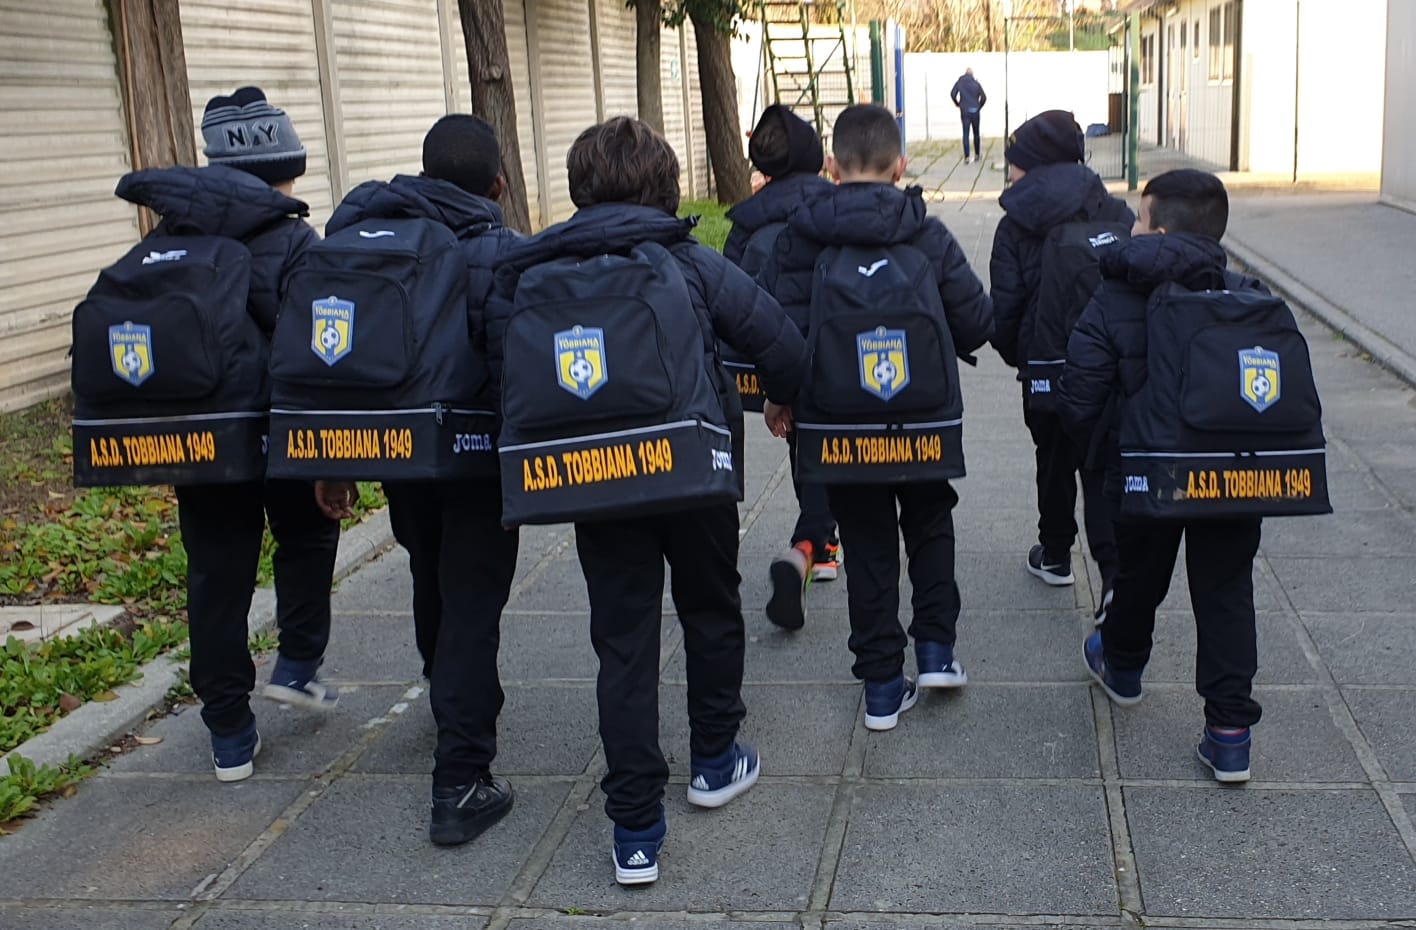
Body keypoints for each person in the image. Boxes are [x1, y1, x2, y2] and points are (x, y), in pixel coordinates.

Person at [486, 116, 806, 886]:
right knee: (710, 609)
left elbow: (504, 369)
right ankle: (715, 759)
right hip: (692, 470)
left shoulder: (535, 270)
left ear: (580, 187)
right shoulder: (688, 260)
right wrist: (781, 399)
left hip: (595, 480)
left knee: (623, 641)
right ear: (666, 186)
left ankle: (634, 829)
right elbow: (781, 342)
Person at [313, 114, 522, 845]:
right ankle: (461, 779)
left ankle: (445, 690)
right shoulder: (499, 252)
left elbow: (335, 359)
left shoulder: (367, 236)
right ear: (498, 184)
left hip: (399, 453)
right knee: (472, 599)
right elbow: (514, 366)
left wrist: (333, 460)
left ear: (425, 175)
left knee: (429, 569)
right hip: (475, 457)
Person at [122, 87, 341, 781]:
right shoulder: (296, 240)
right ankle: (298, 662)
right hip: (283, 432)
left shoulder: (168, 237)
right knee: (309, 535)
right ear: (285, 168)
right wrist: (333, 455)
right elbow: (318, 351)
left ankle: (228, 733)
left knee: (217, 572)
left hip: (202, 438)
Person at [761, 103, 992, 731]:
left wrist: (779, 398)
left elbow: (780, 336)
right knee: (930, 523)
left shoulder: (800, 238)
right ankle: (937, 651)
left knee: (865, 545)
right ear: (901, 167)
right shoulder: (927, 234)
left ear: (831, 168)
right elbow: (977, 321)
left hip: (840, 428)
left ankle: (883, 689)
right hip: (923, 421)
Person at [1058, 169, 1266, 783]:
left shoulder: (1115, 294)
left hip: (1145, 470)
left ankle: (1122, 667)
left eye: (1140, 219)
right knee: (1227, 592)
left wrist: (1100, 456)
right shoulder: (1244, 293)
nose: (1131, 228)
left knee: (1139, 575)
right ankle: (1229, 735)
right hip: (1229, 475)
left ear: (1160, 231)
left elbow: (1079, 394)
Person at [989, 109, 1130, 617]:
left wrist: (1023, 357)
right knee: (1101, 466)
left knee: (1052, 460)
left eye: (1014, 162)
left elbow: (1004, 312)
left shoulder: (1015, 226)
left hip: (1046, 368)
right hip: (1108, 367)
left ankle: (1054, 553)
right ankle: (1112, 577)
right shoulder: (1115, 212)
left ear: (1033, 164)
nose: (1009, 172)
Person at [723, 105, 839, 630]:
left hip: (784, 364)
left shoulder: (747, 226)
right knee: (837, 460)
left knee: (805, 449)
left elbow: (737, 305)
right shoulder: (836, 210)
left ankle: (818, 545)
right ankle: (809, 549)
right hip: (847, 364)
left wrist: (774, 390)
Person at [950, 67, 986, 164]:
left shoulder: (960, 83)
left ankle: (967, 157)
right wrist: (979, 106)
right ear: (972, 75)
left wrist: (958, 104)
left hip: (965, 111)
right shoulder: (976, 84)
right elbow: (984, 97)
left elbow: (952, 94)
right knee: (976, 133)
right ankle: (977, 154)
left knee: (965, 134)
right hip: (975, 111)